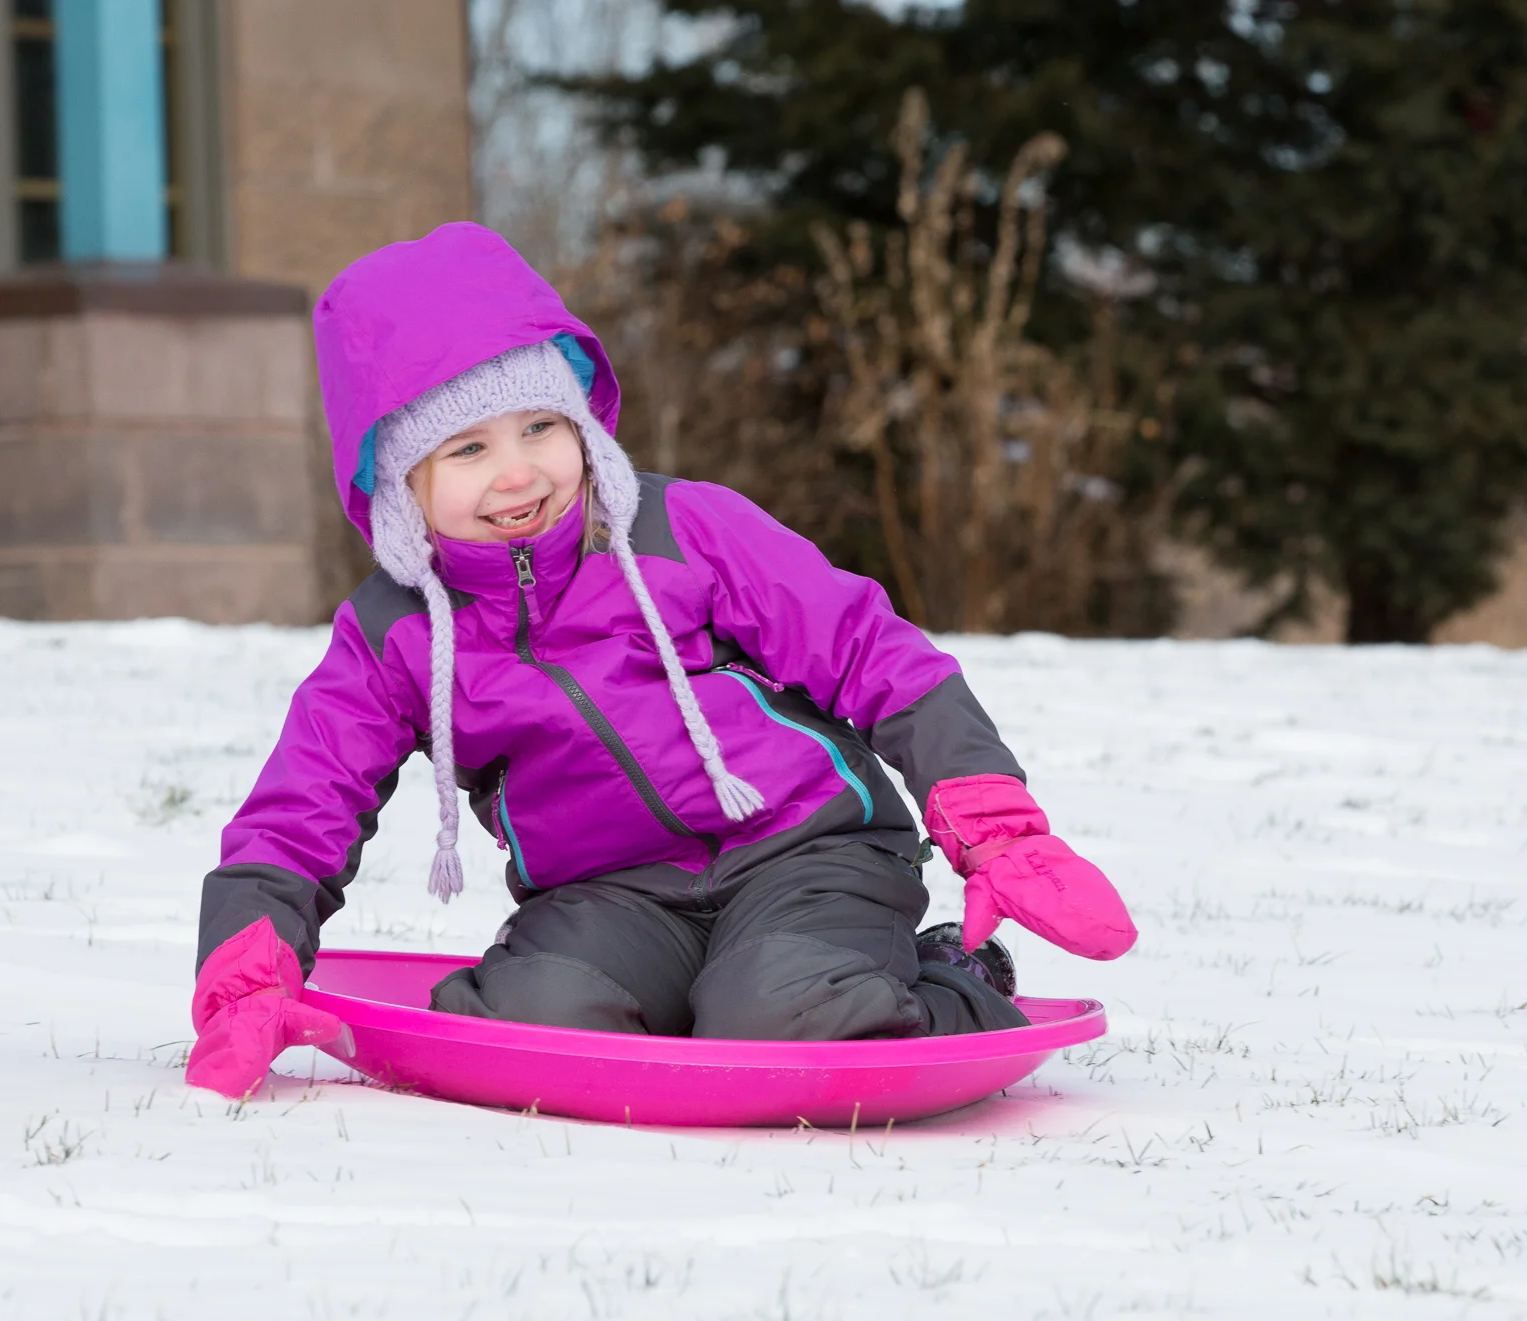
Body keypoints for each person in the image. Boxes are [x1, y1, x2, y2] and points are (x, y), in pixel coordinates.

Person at [183, 223, 1137, 1101]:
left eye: (540, 429)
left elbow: (869, 648)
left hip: (803, 849)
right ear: (399, 488)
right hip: (610, 893)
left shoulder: (683, 529)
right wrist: (243, 968)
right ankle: (706, 985)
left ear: (581, 427)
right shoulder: (394, 633)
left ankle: (953, 983)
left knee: (785, 1020)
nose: (517, 473)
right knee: (527, 1025)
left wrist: (994, 823)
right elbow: (301, 805)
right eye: (467, 449)